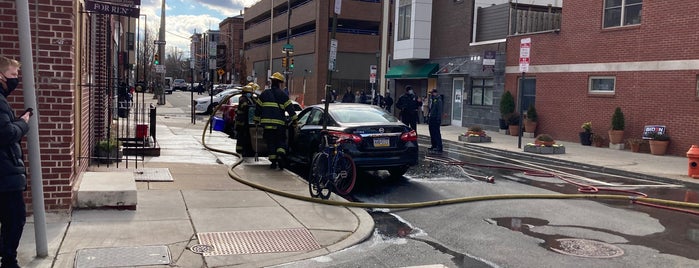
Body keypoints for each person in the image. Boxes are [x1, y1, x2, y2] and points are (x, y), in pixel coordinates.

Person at [0, 56, 30, 268]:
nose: (16, 79)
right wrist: (23, 123)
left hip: (6, 170)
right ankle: (8, 261)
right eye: (12, 75)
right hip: (4, 171)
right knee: (15, 218)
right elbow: (5, 133)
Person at [255, 72, 297, 170]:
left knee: (271, 143)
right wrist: (295, 121)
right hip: (279, 125)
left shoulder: (264, 94)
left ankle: (273, 163)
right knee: (281, 141)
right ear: (280, 83)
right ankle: (280, 155)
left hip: (267, 125)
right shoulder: (283, 95)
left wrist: (256, 121)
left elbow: (258, 109)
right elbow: (290, 110)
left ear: (271, 82)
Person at [235, 83, 258, 157]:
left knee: (247, 136)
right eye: (250, 93)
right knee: (241, 136)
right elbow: (245, 106)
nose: (251, 94)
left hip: (247, 121)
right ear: (246, 93)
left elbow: (255, 104)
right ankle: (240, 150)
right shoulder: (242, 98)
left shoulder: (251, 99)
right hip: (241, 122)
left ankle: (247, 150)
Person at [427, 88, 444, 153]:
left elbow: (439, 110)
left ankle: (439, 147)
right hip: (431, 118)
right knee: (432, 132)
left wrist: (438, 119)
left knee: (436, 133)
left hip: (435, 118)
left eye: (432, 93)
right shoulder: (432, 99)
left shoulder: (438, 100)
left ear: (435, 93)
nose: (431, 94)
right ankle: (433, 145)